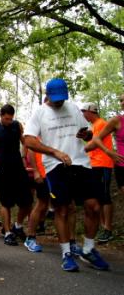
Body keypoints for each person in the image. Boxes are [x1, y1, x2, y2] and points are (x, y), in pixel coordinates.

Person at [24, 78, 109, 272]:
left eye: (62, 98)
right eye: (56, 99)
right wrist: (54, 152)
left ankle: (88, 249)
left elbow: (87, 133)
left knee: (94, 206)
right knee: (62, 209)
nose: (59, 102)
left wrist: (86, 135)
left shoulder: (72, 108)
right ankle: (66, 253)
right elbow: (28, 141)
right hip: (56, 165)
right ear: (48, 95)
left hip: (81, 163)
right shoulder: (40, 113)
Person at [0, 104, 32, 246]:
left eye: (11, 118)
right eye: (6, 118)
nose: (9, 121)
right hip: (1, 168)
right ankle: (8, 232)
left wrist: (24, 156)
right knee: (6, 202)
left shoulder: (17, 125)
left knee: (27, 201)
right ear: (1, 115)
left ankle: (17, 226)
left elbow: (25, 142)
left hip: (17, 166)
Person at [81, 102, 115, 243]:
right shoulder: (94, 126)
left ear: (90, 111)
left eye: (84, 111)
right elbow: (91, 138)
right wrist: (84, 136)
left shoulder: (101, 123)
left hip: (103, 163)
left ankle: (108, 229)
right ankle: (102, 227)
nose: (83, 114)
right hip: (94, 164)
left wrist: (80, 151)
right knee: (98, 197)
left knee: (105, 196)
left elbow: (95, 143)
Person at [86, 94, 124, 195]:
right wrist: (108, 152)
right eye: (121, 101)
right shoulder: (117, 120)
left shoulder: (100, 123)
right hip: (122, 165)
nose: (122, 103)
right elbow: (96, 138)